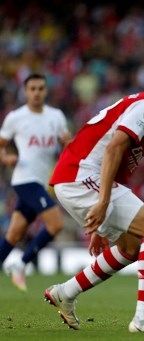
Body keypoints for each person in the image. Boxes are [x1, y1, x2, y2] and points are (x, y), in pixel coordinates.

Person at [43, 57, 144, 333]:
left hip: (75, 178)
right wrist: (102, 202)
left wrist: (100, 224)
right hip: (80, 176)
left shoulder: (142, 106)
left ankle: (65, 292)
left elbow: (116, 164)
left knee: (131, 247)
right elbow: (114, 147)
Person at [0, 73, 71, 291]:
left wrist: (68, 144)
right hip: (24, 180)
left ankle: (14, 262)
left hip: (44, 182)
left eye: (41, 88)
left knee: (14, 234)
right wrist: (6, 158)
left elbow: (66, 145)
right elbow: (1, 145)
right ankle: (22, 263)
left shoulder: (56, 116)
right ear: (25, 91)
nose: (37, 93)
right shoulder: (16, 117)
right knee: (56, 223)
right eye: (32, 89)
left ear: (46, 90)